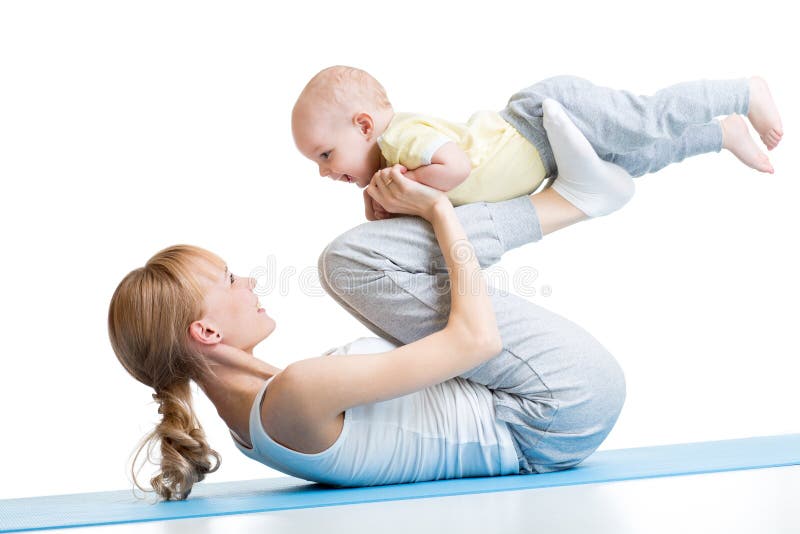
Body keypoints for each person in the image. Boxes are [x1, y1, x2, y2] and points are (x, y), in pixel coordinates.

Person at [108, 120, 631, 501]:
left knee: (357, 265)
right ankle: (573, 198)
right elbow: (477, 343)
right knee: (350, 263)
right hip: (556, 404)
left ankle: (576, 197)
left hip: (546, 413)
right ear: (205, 330)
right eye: (228, 280)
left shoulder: (260, 416)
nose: (247, 282)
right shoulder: (292, 395)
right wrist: (438, 210)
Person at [291, 65, 782, 220]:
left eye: (325, 155)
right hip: (550, 155)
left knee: (645, 121)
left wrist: (404, 184)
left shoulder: (400, 138)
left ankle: (742, 92)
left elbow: (456, 167)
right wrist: (384, 201)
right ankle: (722, 132)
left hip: (544, 118)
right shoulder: (391, 158)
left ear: (362, 126)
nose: (324, 172)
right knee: (642, 158)